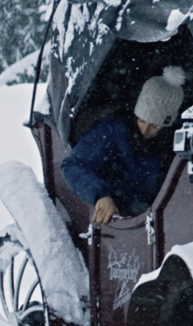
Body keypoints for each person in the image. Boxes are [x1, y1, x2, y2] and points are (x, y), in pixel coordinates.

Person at [62, 67, 186, 223]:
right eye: (142, 120)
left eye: (155, 126)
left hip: (157, 219)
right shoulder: (111, 130)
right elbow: (72, 166)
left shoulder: (174, 142)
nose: (145, 130)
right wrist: (101, 195)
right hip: (117, 219)